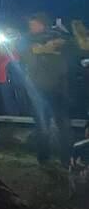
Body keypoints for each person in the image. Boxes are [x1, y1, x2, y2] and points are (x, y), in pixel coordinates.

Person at [21, 13, 71, 165]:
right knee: (42, 125)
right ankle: (43, 158)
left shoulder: (58, 38)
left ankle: (66, 159)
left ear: (43, 23)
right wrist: (42, 50)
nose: (32, 27)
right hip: (38, 91)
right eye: (31, 24)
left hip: (58, 89)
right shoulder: (27, 40)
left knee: (63, 125)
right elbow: (27, 58)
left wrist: (49, 48)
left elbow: (65, 60)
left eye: (34, 23)